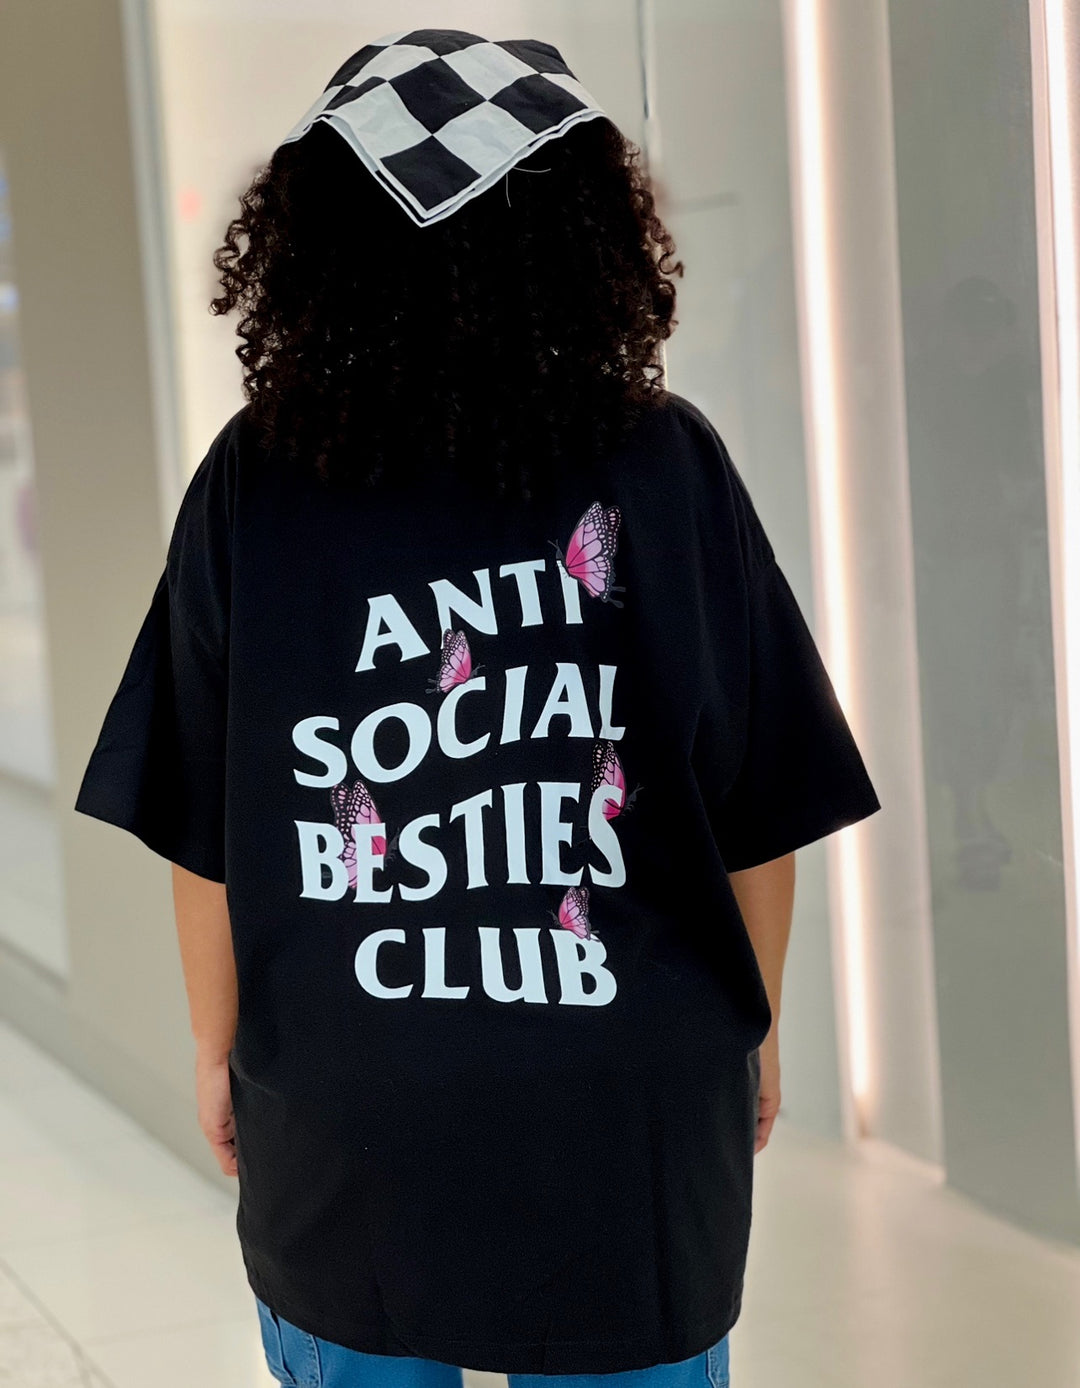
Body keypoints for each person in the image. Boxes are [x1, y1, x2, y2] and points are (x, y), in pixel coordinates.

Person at [73, 29, 881, 1388]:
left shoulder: (256, 483)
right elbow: (757, 815)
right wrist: (756, 1026)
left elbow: (205, 829)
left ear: (312, 245)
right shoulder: (666, 463)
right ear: (587, 237)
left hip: (346, 1101)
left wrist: (216, 1052)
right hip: (627, 1105)